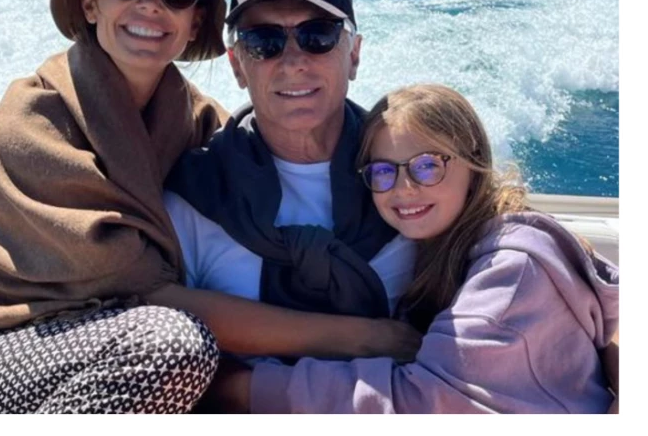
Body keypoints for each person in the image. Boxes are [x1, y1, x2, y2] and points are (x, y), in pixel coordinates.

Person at [0, 0, 419, 414]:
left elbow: (255, 142)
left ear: (195, 20)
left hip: (103, 360)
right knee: (171, 348)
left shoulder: (192, 123)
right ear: (90, 2)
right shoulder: (32, 127)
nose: (150, 5)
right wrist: (366, 338)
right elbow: (149, 294)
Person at [208, 84, 620, 413]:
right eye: (383, 171)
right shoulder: (434, 250)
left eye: (426, 166)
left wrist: (243, 388)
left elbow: (422, 404)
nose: (404, 189)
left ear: (473, 160)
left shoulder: (511, 272)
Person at [163, 0, 419, 341]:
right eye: (263, 41)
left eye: (319, 35)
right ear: (237, 66)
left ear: (354, 55)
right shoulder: (195, 196)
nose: (294, 61)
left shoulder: (417, 173)